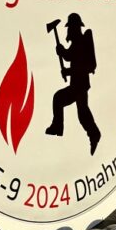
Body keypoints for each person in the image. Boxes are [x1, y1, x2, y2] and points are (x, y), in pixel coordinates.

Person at [45, 12, 101, 155]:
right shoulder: (77, 42)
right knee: (81, 111)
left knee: (62, 101)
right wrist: (62, 52)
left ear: (75, 28)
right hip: (77, 85)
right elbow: (70, 56)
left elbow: (76, 61)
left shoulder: (81, 41)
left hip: (79, 85)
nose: (68, 31)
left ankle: (91, 133)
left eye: (70, 27)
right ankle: (92, 133)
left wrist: (63, 54)